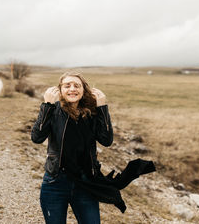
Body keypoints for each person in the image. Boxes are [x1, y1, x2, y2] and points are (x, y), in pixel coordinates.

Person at [31, 71, 155, 224]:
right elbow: (37, 138)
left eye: (77, 86)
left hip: (85, 183)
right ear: (60, 90)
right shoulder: (53, 110)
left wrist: (102, 107)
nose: (72, 89)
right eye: (67, 86)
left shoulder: (92, 114)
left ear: (83, 91)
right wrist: (47, 105)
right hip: (55, 183)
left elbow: (106, 140)